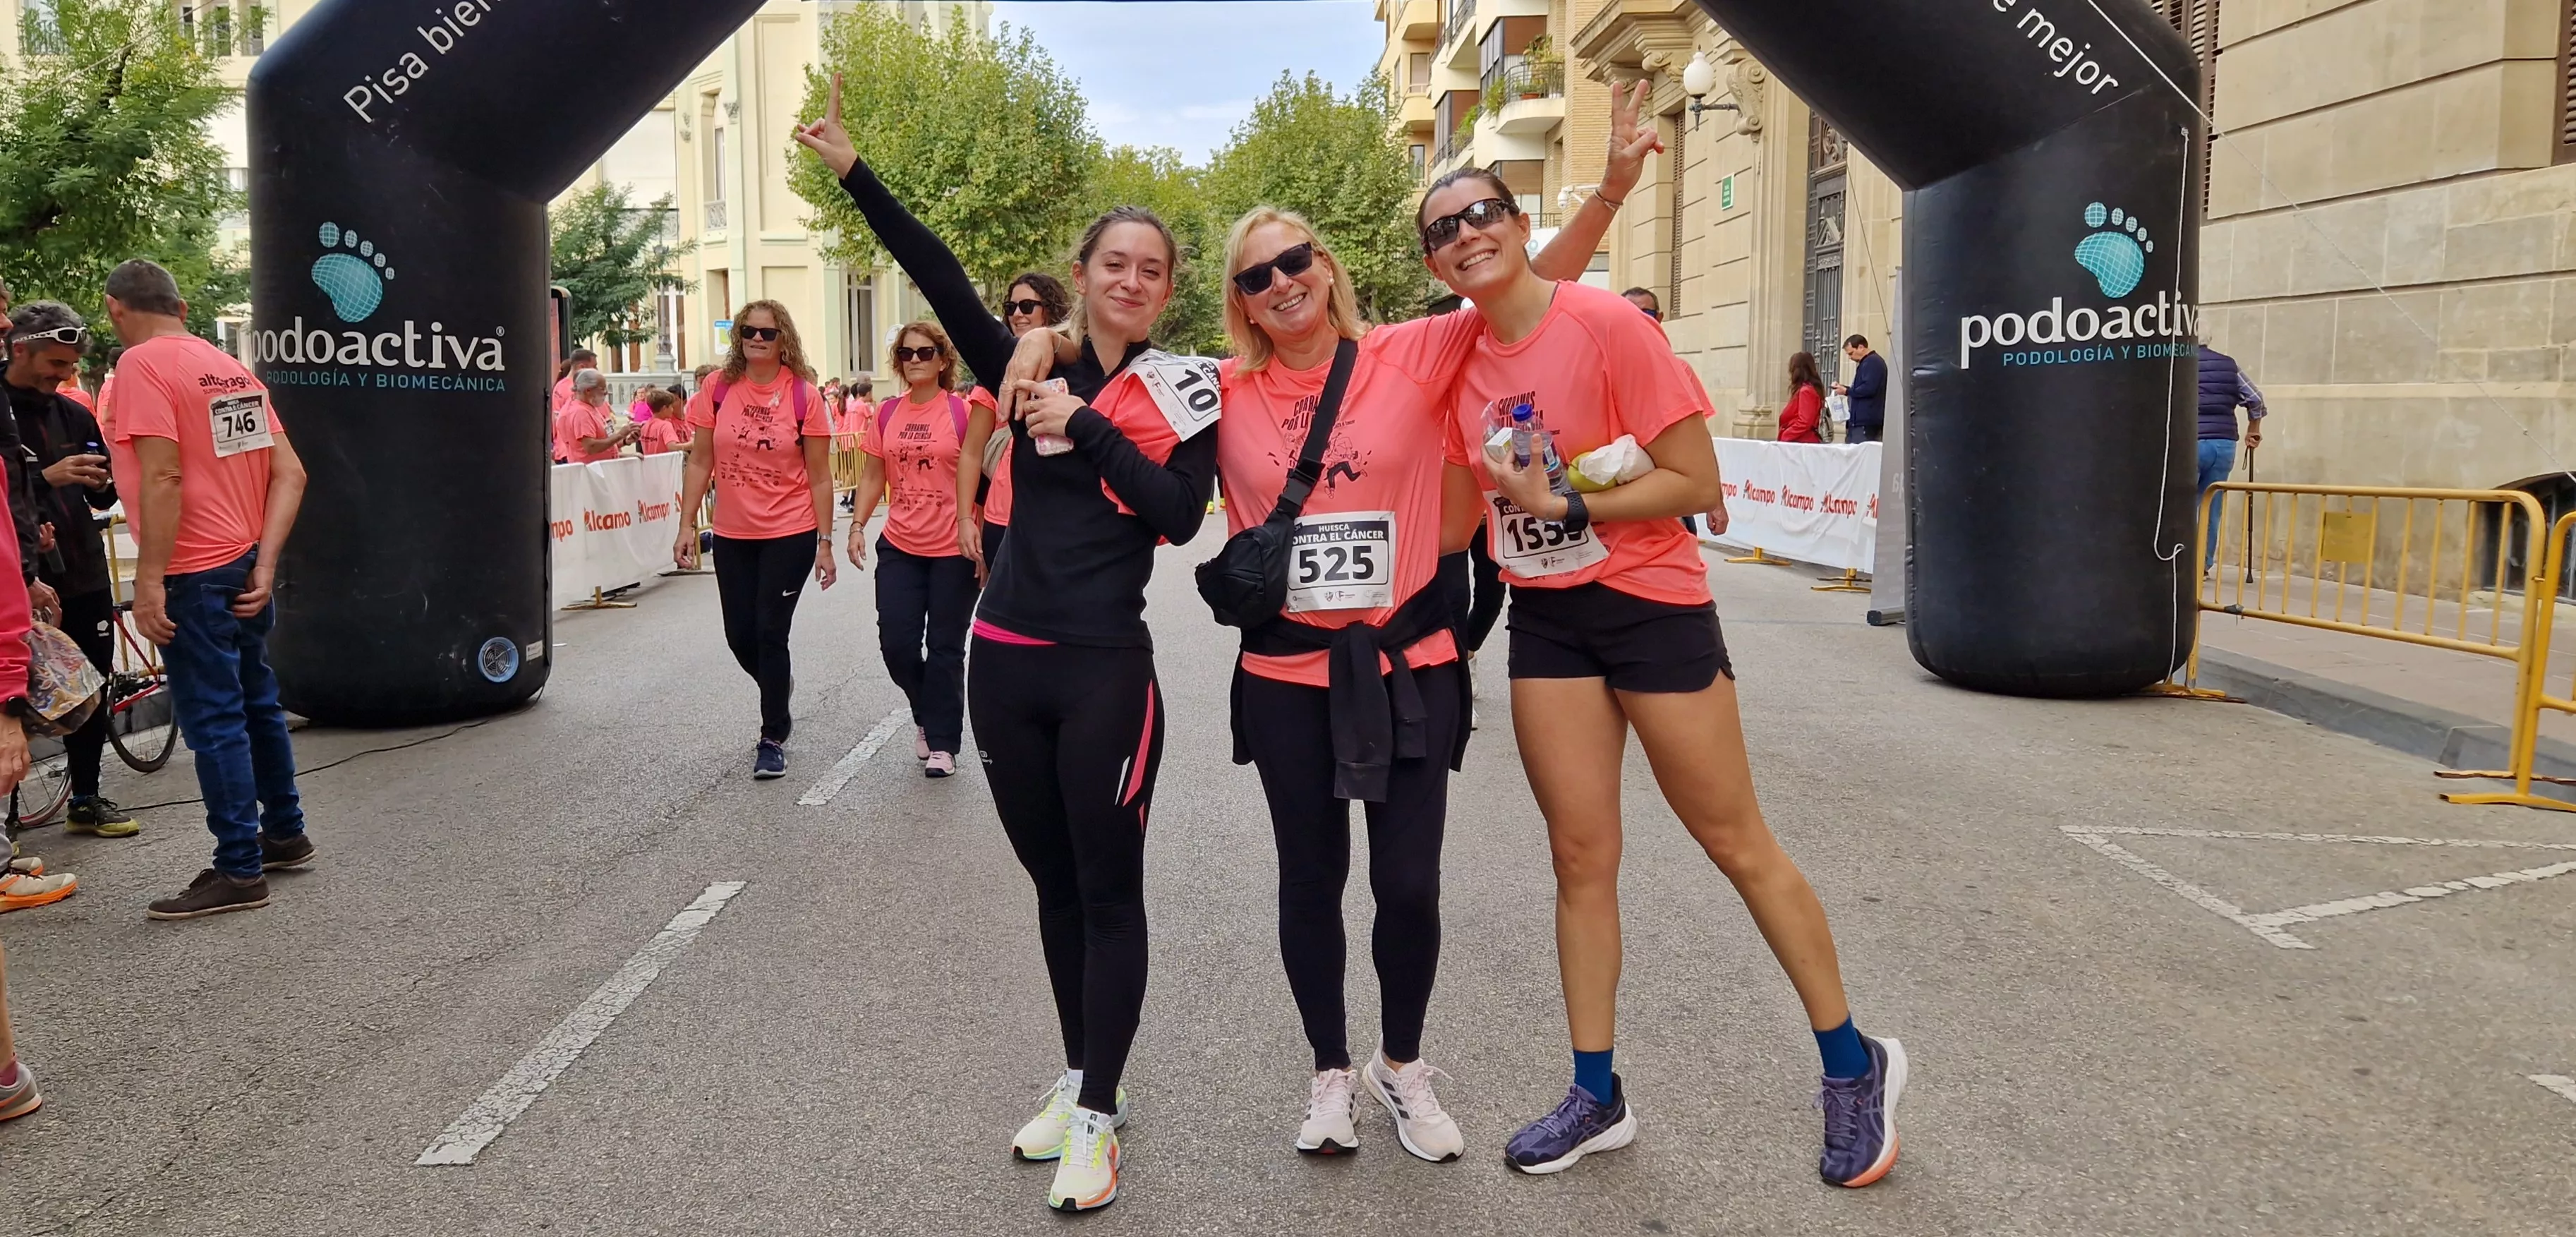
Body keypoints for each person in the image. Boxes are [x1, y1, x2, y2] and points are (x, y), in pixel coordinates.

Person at [1417, 169, 1905, 1185]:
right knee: (1579, 858)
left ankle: (1854, 1067)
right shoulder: (1455, 358)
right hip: (1547, 619)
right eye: (1441, 230)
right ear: (1432, 262)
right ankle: (1596, 1094)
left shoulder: (1603, 325)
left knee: (1734, 840)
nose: (1465, 235)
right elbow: (1461, 514)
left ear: (1515, 223)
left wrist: (1565, 508)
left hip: (1650, 608)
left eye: (1482, 214)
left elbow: (1697, 483)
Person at [799, 76, 1218, 1214]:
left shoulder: (1185, 394)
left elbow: (1179, 516)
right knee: (1050, 887)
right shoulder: (1024, 357)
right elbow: (932, 266)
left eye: (1152, 268)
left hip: (1102, 674)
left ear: (1168, 290)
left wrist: (1081, 426)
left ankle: (1096, 1120)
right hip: (1006, 662)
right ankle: (1090, 1079)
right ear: (1081, 274)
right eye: (1112, 262)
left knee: (1108, 889)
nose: (1131, 280)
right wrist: (852, 170)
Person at [105, 259, 315, 921]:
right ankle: (282, 832)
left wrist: (147, 582)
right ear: (184, 307)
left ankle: (238, 868)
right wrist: (263, 562)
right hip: (242, 561)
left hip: (192, 569)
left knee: (215, 718)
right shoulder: (229, 368)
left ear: (115, 309)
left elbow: (163, 477)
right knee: (257, 702)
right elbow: (292, 474)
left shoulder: (141, 367)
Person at [672, 303, 838, 779]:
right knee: (738, 634)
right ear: (738, 336)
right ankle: (777, 683)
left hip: (791, 530)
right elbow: (700, 460)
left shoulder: (804, 395)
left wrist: (825, 541)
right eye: (748, 331)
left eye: (767, 332)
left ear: (783, 338)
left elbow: (821, 476)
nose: (757, 339)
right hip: (731, 533)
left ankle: (772, 735)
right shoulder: (718, 389)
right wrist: (687, 524)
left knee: (770, 629)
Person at [5, 303, 136, 838]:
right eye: (54, 363)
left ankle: (86, 795)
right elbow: (7, 491)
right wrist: (50, 477)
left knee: (89, 686)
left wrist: (102, 477)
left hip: (79, 567)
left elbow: (104, 490)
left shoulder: (73, 413)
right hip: (17, 573)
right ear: (20, 349)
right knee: (12, 692)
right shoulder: (2, 409)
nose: (62, 376)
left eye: (68, 366)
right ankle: (7, 814)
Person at [849, 322, 982, 778]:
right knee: (897, 645)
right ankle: (927, 709)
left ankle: (943, 742)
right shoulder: (886, 414)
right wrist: (857, 526)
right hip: (901, 546)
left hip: (953, 547)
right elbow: (872, 476)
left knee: (945, 647)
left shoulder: (962, 412)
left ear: (943, 361)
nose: (915, 360)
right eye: (906, 353)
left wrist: (978, 535)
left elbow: (980, 475)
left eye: (925, 353)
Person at [956, 272, 1070, 577]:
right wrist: (966, 520)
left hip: (1059, 522)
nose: (1017, 314)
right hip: (1001, 519)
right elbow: (972, 453)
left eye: (1027, 306)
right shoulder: (995, 374)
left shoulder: (1076, 368)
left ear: (1051, 308)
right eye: (1011, 307)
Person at [2196, 339, 2266, 572]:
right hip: (2224, 444)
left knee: (2180, 503)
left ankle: (2181, 561)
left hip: (2189, 442)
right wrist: (2253, 431)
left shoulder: (2178, 362)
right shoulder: (2228, 365)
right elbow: (2255, 399)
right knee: (2211, 504)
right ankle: (2202, 565)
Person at [555, 368, 639, 464]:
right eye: (602, 389)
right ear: (588, 391)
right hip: (592, 473)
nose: (606, 392)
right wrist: (620, 434)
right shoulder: (580, 412)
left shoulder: (589, 407)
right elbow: (591, 447)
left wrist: (625, 441)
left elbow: (604, 445)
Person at [1833, 335, 1887, 445]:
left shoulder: (1873, 362)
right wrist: (1845, 389)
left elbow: (1869, 389)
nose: (1850, 357)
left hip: (1866, 422)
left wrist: (1847, 391)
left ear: (1861, 347)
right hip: (1861, 421)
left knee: (1860, 455)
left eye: (1851, 353)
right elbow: (1861, 388)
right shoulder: (1868, 362)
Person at [1778, 351, 1827, 444]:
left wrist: (1786, 435)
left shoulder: (1806, 391)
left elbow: (1805, 421)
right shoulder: (1809, 388)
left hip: (1801, 441)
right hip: (1801, 440)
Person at [633, 387, 691, 455]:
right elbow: (672, 447)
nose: (672, 409)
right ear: (664, 409)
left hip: (649, 464)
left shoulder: (645, 426)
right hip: (664, 463)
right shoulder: (665, 425)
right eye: (670, 407)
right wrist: (691, 445)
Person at [550, 347, 600, 411]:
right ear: (582, 367)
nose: (596, 370)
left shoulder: (559, 387)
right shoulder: (581, 389)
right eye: (594, 366)